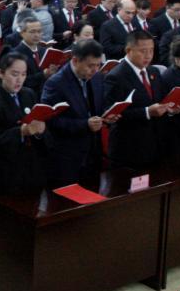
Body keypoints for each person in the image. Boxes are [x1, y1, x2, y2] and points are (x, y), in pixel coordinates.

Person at [0, 52, 48, 287]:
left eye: (24, 74)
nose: (19, 80)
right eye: (14, 74)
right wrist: (21, 132)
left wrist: (40, 130)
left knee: (28, 218)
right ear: (0, 73)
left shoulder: (28, 94)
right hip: (1, 169)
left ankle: (24, 269)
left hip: (28, 166)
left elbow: (36, 128)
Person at [41, 39, 107, 186]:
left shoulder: (97, 77)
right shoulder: (56, 83)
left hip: (93, 152)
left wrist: (108, 115)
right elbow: (50, 120)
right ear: (75, 61)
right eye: (90, 66)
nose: (95, 70)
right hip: (67, 158)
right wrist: (85, 124)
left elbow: (98, 106)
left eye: (98, 65)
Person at [102, 30, 169, 169]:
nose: (148, 56)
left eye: (151, 50)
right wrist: (146, 112)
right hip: (129, 147)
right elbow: (111, 114)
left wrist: (170, 108)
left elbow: (160, 100)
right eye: (143, 51)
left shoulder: (153, 71)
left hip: (154, 144)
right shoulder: (116, 76)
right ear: (128, 50)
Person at [10, 11, 62, 97]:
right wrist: (43, 75)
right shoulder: (16, 54)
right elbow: (20, 81)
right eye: (32, 32)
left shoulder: (44, 51)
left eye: (39, 31)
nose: (37, 35)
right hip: (28, 97)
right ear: (22, 33)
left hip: (47, 94)